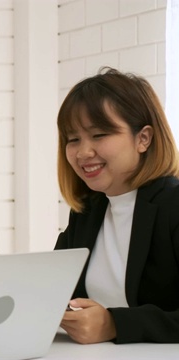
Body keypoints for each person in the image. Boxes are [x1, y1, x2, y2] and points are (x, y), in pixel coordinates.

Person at [54, 67, 179, 344]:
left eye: (99, 135)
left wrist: (115, 324)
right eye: (73, 139)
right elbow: (56, 290)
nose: (83, 152)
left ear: (143, 139)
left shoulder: (173, 205)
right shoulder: (87, 211)